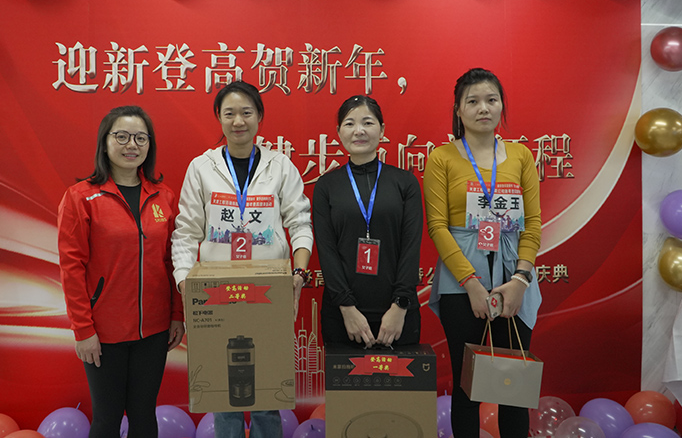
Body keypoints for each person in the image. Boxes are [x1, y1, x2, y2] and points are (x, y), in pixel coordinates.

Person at [171, 80, 313, 438]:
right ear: (219, 118)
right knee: (224, 392)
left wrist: (298, 273)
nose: (238, 121)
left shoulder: (280, 166)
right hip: (216, 294)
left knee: (266, 389)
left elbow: (300, 222)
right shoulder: (201, 168)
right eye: (229, 113)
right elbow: (186, 232)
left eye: (247, 112)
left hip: (268, 292)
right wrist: (186, 283)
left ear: (259, 117)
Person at [424, 68, 542, 438]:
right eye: (472, 101)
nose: (483, 108)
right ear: (458, 110)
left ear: (502, 105)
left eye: (491, 100)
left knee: (514, 387)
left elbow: (533, 223)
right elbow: (437, 226)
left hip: (513, 277)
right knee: (467, 387)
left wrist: (520, 280)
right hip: (462, 282)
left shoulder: (521, 156)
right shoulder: (441, 158)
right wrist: (471, 284)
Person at [58, 105, 185, 438]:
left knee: (144, 415)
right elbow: (72, 267)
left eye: (141, 138)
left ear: (149, 145)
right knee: (107, 419)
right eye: (122, 136)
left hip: (154, 330)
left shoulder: (163, 196)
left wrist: (177, 315)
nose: (132, 145)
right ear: (105, 142)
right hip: (104, 333)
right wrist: (83, 330)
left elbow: (172, 261)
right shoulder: (80, 198)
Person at [314, 95, 423, 349]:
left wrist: (400, 305)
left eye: (367, 122)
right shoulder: (326, 186)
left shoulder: (405, 182)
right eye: (350, 123)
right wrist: (346, 307)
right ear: (339, 132)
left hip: (397, 316)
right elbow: (326, 252)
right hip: (343, 316)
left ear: (382, 130)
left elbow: (411, 247)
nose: (359, 131)